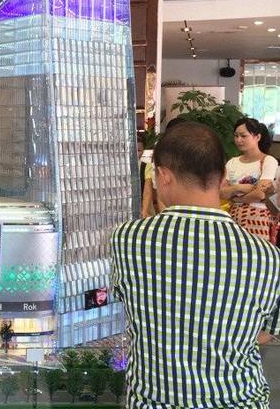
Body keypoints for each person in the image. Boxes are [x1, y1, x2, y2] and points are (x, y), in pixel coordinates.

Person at [111, 122, 280, 409]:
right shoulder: (267, 257)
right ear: (223, 176)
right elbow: (265, 332)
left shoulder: (127, 238)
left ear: (164, 176)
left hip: (154, 401)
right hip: (239, 401)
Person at [220, 117, 278, 241]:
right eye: (236, 136)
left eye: (243, 136)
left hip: (258, 219)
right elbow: (221, 193)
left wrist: (235, 198)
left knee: (258, 251)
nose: (238, 140)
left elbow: (260, 194)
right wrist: (238, 187)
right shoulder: (232, 162)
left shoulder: (268, 160)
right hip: (233, 217)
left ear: (257, 137)